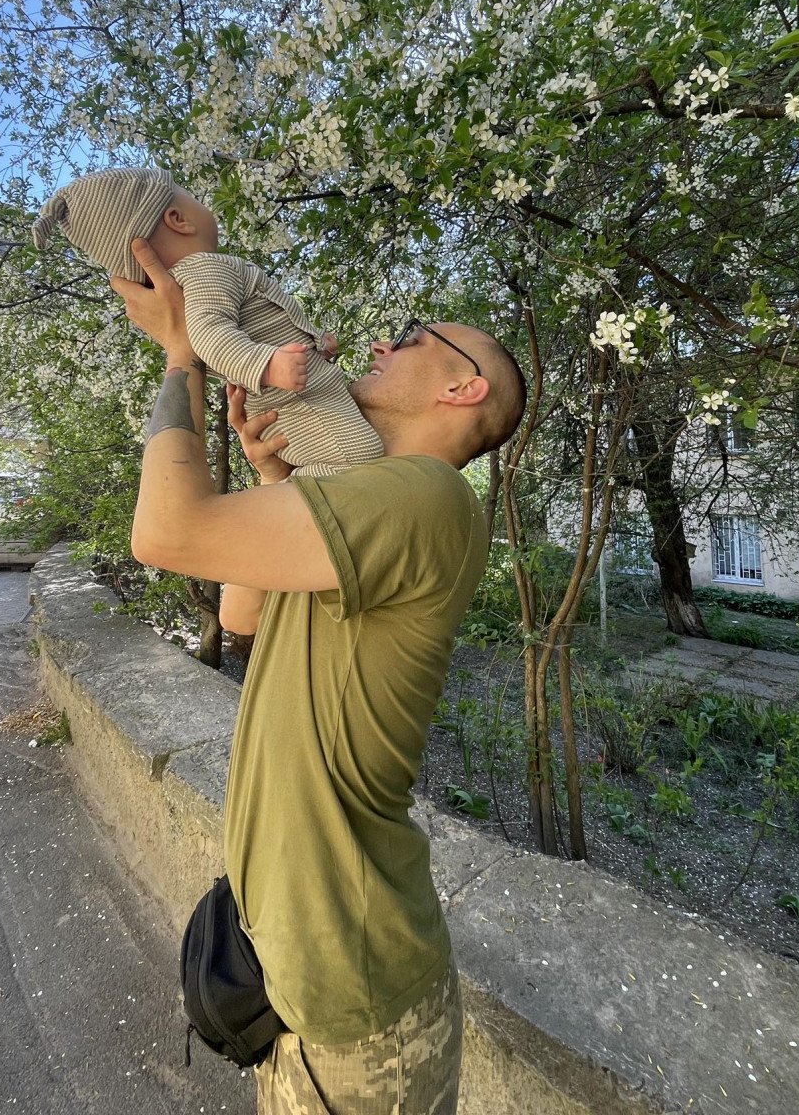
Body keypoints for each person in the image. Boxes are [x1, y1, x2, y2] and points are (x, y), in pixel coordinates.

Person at [111, 238, 526, 1115]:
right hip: (307, 975)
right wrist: (273, 475)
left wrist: (183, 354)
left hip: (358, 1002)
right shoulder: (372, 496)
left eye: (413, 338)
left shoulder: (428, 496)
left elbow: (165, 531)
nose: (382, 342)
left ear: (463, 388)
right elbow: (242, 620)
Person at [32, 167, 383, 475]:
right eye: (193, 197)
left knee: (362, 456)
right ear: (178, 219)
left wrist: (318, 344)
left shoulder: (199, 279)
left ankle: (294, 489)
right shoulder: (205, 269)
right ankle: (296, 492)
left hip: (304, 402)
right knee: (361, 458)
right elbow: (209, 334)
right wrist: (268, 365)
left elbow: (264, 320)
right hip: (299, 406)